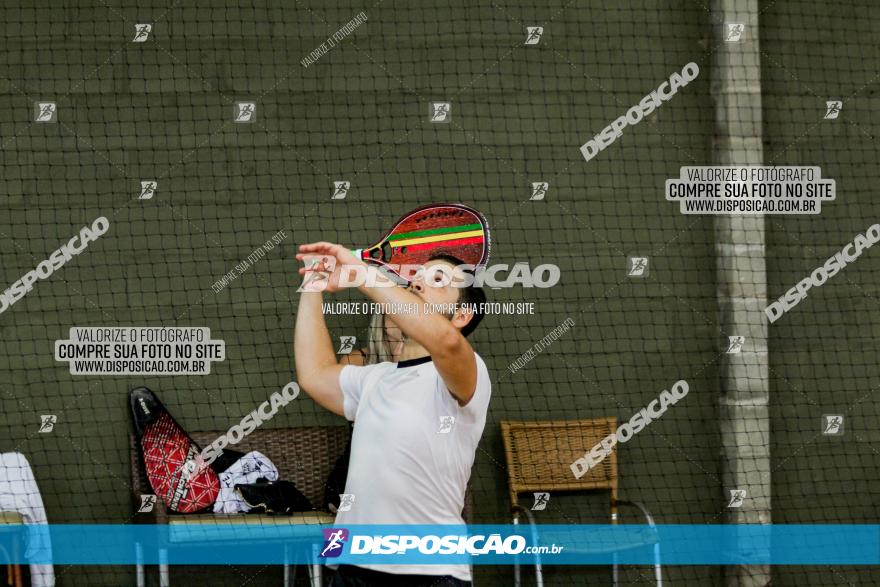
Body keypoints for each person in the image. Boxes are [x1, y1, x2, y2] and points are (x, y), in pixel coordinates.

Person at [294, 243, 490, 587]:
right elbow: (313, 373)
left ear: (461, 316)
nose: (417, 282)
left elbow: (446, 342)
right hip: (351, 566)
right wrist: (313, 285)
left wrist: (358, 271)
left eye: (438, 279)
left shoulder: (469, 373)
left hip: (430, 572)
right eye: (417, 277)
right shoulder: (375, 377)